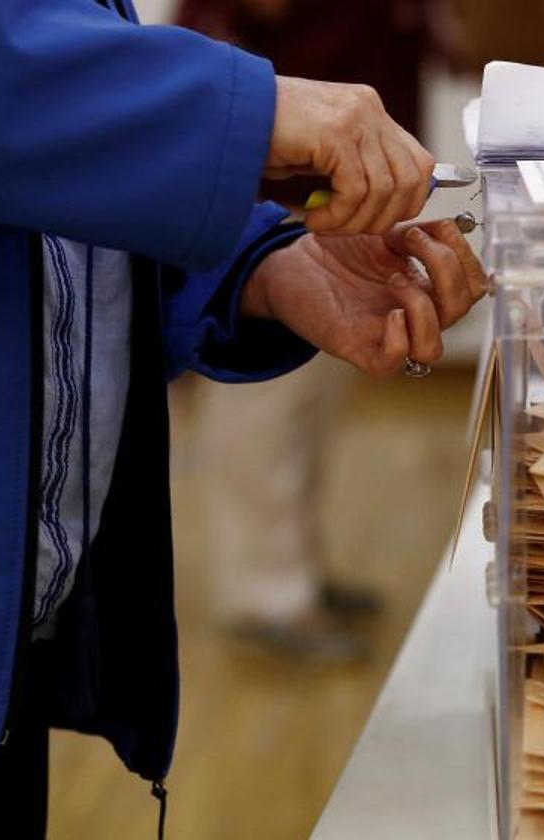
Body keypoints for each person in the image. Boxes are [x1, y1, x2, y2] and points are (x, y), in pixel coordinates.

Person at [0, 0, 487, 837]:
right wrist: (247, 110)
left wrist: (265, 268)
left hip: (18, 650)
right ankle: (271, 594)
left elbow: (60, 215)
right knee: (264, 442)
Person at [177, 0, 457, 658]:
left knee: (307, 411)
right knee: (261, 418)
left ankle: (295, 572)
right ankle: (265, 594)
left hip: (334, 206)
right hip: (269, 206)